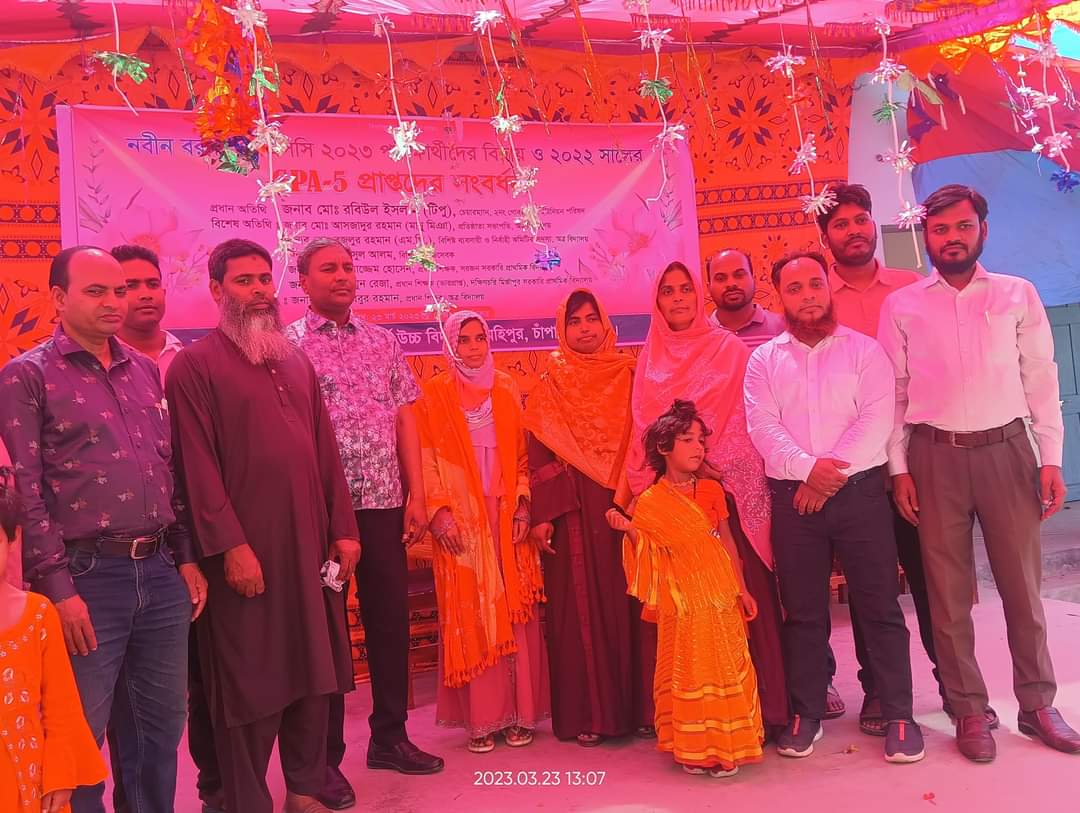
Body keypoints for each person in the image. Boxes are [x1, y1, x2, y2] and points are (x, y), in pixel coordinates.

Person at [0, 246, 206, 813]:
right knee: (80, 739)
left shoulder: (143, 369)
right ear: (59, 297)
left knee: (159, 731)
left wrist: (186, 557)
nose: (115, 302)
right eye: (96, 292)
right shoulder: (27, 375)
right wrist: (59, 590)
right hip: (85, 577)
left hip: (160, 572)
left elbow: (167, 468)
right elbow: (26, 491)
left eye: (120, 290)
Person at [879, 184, 1080, 762]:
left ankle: (1037, 704)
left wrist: (1050, 459)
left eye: (963, 227)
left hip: (1007, 452)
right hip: (933, 457)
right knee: (946, 595)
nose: (952, 238)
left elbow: (1041, 378)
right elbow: (894, 392)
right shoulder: (903, 306)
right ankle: (967, 710)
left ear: (982, 231)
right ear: (926, 238)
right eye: (940, 229)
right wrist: (899, 469)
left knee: (1022, 588)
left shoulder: (1018, 294)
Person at [165, 238, 360, 813]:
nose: (258, 291)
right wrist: (231, 547)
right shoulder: (194, 367)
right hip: (246, 557)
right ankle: (245, 800)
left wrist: (344, 528)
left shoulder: (295, 361)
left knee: (314, 673)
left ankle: (304, 790)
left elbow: (325, 452)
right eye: (243, 280)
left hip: (308, 550)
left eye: (263, 279)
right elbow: (195, 468)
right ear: (216, 290)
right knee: (249, 683)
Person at [745, 252, 924, 763]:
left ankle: (899, 713)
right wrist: (808, 471)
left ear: (828, 288)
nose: (807, 296)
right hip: (794, 500)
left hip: (860, 495)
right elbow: (762, 426)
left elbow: (876, 421)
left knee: (879, 606)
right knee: (803, 612)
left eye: (814, 284)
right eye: (794, 288)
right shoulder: (764, 361)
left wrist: (822, 481)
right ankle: (806, 712)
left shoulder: (865, 352)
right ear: (779, 297)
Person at [285, 238, 444, 809]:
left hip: (383, 503)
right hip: (320, 512)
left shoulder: (383, 342)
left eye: (349, 267)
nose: (342, 276)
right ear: (302, 280)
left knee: (389, 621)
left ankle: (390, 737)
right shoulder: (287, 345)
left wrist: (417, 493)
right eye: (328, 268)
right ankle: (324, 758)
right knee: (326, 631)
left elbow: (405, 418)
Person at [815, 184, 974, 734]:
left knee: (934, 580)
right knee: (871, 587)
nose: (854, 230)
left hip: (916, 460)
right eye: (841, 224)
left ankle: (957, 688)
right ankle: (880, 690)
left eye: (861, 219)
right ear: (826, 236)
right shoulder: (817, 298)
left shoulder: (913, 288)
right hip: (853, 470)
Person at [625, 261, 789, 735]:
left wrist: (708, 465)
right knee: (685, 611)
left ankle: (765, 713)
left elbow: (745, 418)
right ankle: (694, 720)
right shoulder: (648, 358)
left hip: (725, 494)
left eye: (685, 289)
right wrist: (667, 479)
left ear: (699, 296)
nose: (678, 298)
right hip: (673, 503)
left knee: (741, 598)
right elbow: (643, 429)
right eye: (667, 291)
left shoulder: (728, 348)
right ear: (657, 302)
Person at [106, 243, 220, 813]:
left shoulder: (192, 359)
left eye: (151, 283)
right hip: (127, 552)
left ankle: (215, 788)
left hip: (202, 536)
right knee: (131, 703)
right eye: (127, 286)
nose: (143, 294)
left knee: (205, 679)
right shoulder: (93, 369)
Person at [413, 310, 549, 754]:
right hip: (462, 518)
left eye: (480, 338)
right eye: (464, 340)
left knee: (514, 610)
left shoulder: (506, 388)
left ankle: (519, 714)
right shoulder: (435, 394)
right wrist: (439, 513)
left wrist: (524, 505)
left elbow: (523, 457)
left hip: (506, 514)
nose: (473, 348)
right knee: (474, 609)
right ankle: (482, 718)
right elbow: (426, 458)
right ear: (451, 346)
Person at [607, 400, 763, 778]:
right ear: (663, 447)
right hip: (681, 602)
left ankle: (728, 748)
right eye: (688, 440)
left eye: (701, 441)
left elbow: (727, 541)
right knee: (689, 671)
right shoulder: (648, 502)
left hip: (719, 593)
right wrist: (630, 531)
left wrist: (741, 588)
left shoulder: (710, 491)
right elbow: (649, 554)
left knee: (724, 666)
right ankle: (694, 749)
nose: (698, 448)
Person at [523, 289, 650, 746]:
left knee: (635, 599)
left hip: (627, 502)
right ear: (562, 329)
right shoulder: (551, 379)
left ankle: (644, 710)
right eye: (574, 321)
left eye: (591, 318)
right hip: (572, 509)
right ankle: (592, 715)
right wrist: (544, 514)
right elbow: (538, 450)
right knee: (580, 611)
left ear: (605, 323)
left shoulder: (629, 373)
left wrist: (640, 494)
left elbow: (645, 435)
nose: (584, 328)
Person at [0, 471, 108, 811]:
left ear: (13, 538)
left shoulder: (37, 614)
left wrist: (60, 775)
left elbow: (61, 705)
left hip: (27, 786)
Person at [112, 244, 184, 381]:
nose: (146, 295)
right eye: (131, 286)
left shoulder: (187, 355)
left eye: (153, 284)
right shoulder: (96, 362)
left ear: (163, 293)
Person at [705, 249, 784, 350]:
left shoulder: (782, 328)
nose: (731, 284)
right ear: (709, 288)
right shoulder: (700, 335)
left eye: (739, 275)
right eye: (720, 278)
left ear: (754, 280)